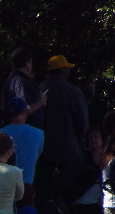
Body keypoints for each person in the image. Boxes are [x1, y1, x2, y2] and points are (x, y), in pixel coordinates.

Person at [37, 55, 88, 206]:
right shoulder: (73, 92)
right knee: (68, 191)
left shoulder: (40, 89)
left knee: (44, 190)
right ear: (63, 71)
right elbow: (82, 121)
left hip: (44, 149)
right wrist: (80, 140)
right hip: (69, 149)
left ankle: (46, 212)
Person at [0, 96, 43, 205]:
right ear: (24, 112)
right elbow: (37, 155)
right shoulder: (38, 134)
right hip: (26, 186)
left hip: (1, 186)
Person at [0, 47, 47, 128]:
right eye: (31, 62)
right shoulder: (21, 82)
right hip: (25, 134)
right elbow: (23, 110)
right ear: (27, 63)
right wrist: (40, 102)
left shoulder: (13, 78)